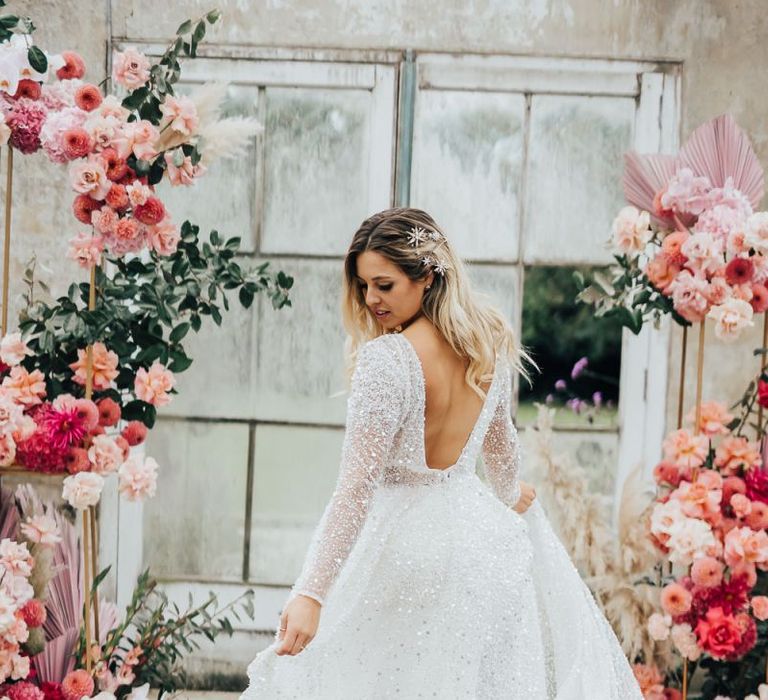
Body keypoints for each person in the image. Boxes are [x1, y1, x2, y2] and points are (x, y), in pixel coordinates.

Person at [241, 208, 643, 699]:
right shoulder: (485, 347)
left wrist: (311, 593)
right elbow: (502, 455)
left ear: (427, 276)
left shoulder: (387, 360)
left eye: (384, 285)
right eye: (364, 285)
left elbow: (355, 488)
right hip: (478, 546)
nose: (371, 300)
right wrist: (511, 493)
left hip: (404, 551)